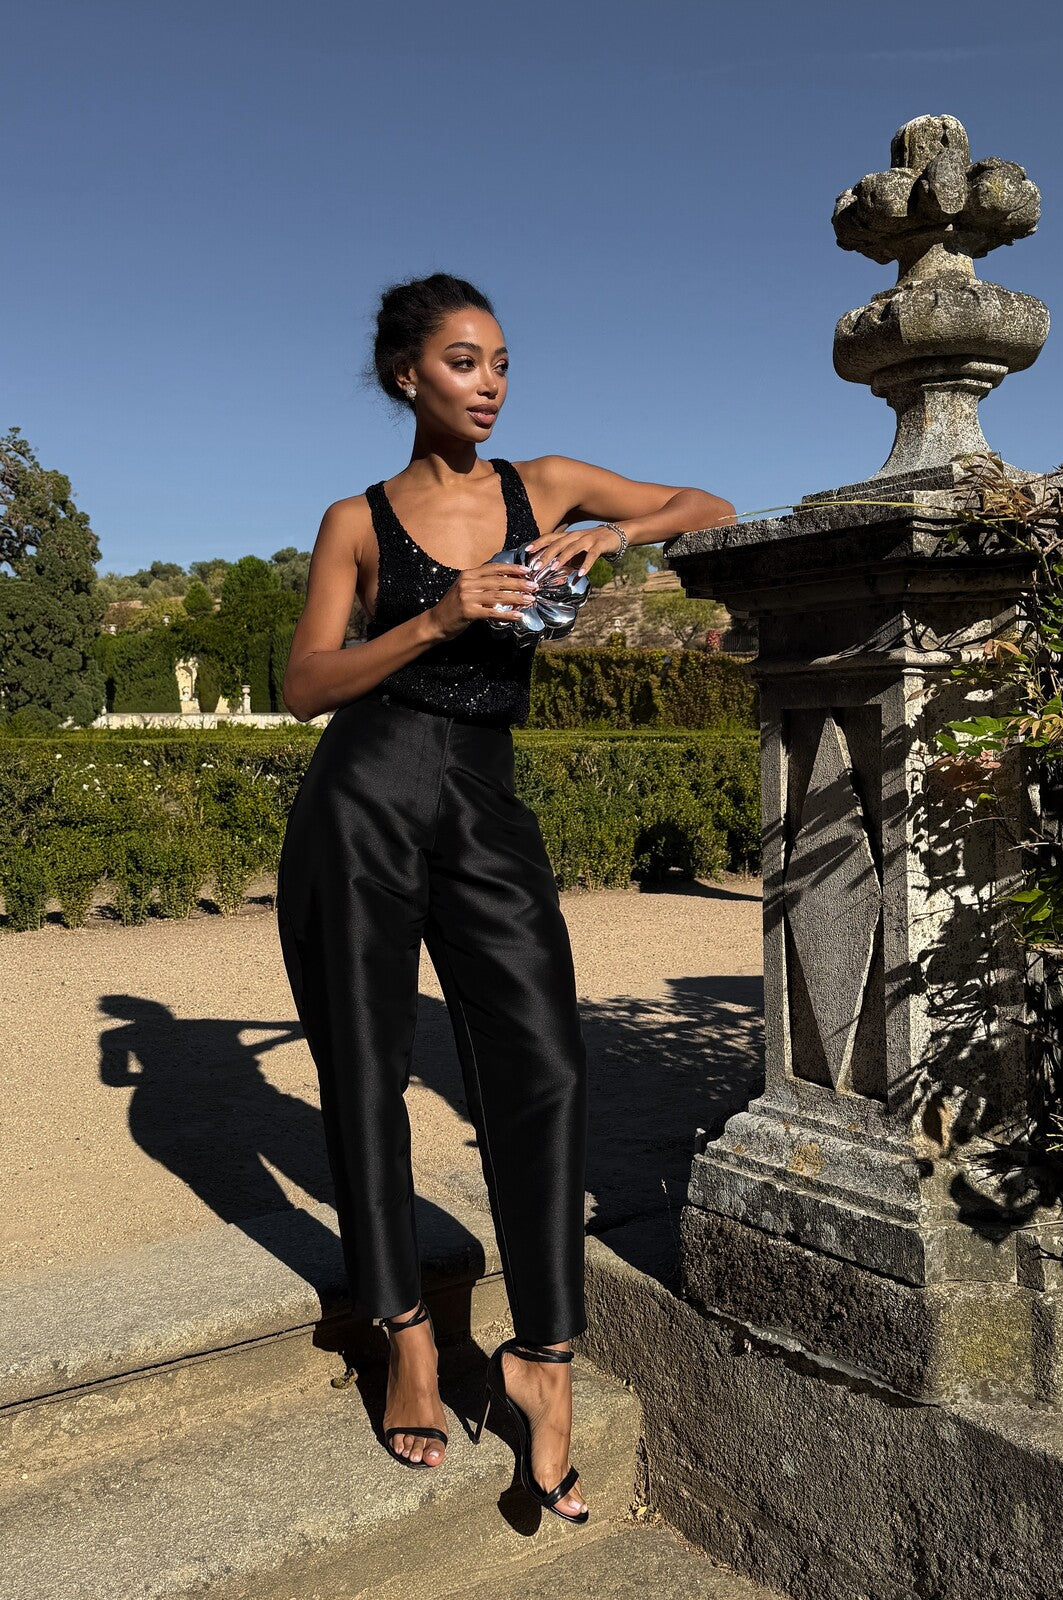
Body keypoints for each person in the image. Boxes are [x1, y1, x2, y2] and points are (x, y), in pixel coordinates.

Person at [275, 272, 735, 1524]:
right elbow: (305, 684)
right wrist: (435, 617)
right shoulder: (357, 519)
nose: (489, 383)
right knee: (363, 1068)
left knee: (544, 1056)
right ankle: (407, 1330)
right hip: (363, 794)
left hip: (484, 801)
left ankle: (539, 1354)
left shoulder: (548, 482)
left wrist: (616, 535)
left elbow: (711, 502)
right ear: (406, 377)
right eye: (464, 363)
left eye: (500, 362)